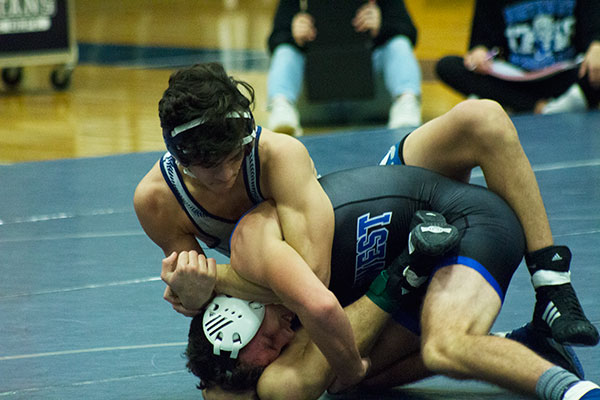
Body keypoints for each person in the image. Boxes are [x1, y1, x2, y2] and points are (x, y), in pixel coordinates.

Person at [181, 165, 600, 400]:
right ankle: (527, 344)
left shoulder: (269, 264)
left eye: (269, 343)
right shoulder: (264, 319)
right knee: (352, 381)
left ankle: (577, 393)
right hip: (422, 248)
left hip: (469, 221)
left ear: (244, 312)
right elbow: (225, 393)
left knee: (443, 347)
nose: (281, 345)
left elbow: (323, 320)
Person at [133, 62, 369, 388]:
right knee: (222, 392)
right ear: (181, 157)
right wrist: (192, 294)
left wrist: (216, 278)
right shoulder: (157, 200)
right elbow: (202, 293)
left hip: (347, 268)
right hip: (293, 305)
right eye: (211, 166)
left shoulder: (279, 156)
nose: (228, 174)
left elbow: (314, 280)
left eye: (235, 157)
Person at [266, 0, 422, 135]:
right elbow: (275, 40)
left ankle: (406, 102)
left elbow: (409, 32)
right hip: (316, 91)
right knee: (284, 51)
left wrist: (381, 26)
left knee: (399, 44)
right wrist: (293, 34)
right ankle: (282, 106)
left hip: (369, 92)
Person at [435, 0, 600, 114]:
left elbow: (593, 27)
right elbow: (481, 41)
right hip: (517, 80)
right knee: (448, 66)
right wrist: (479, 53)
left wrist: (596, 44)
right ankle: (540, 107)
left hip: (567, 75)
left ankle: (517, 105)